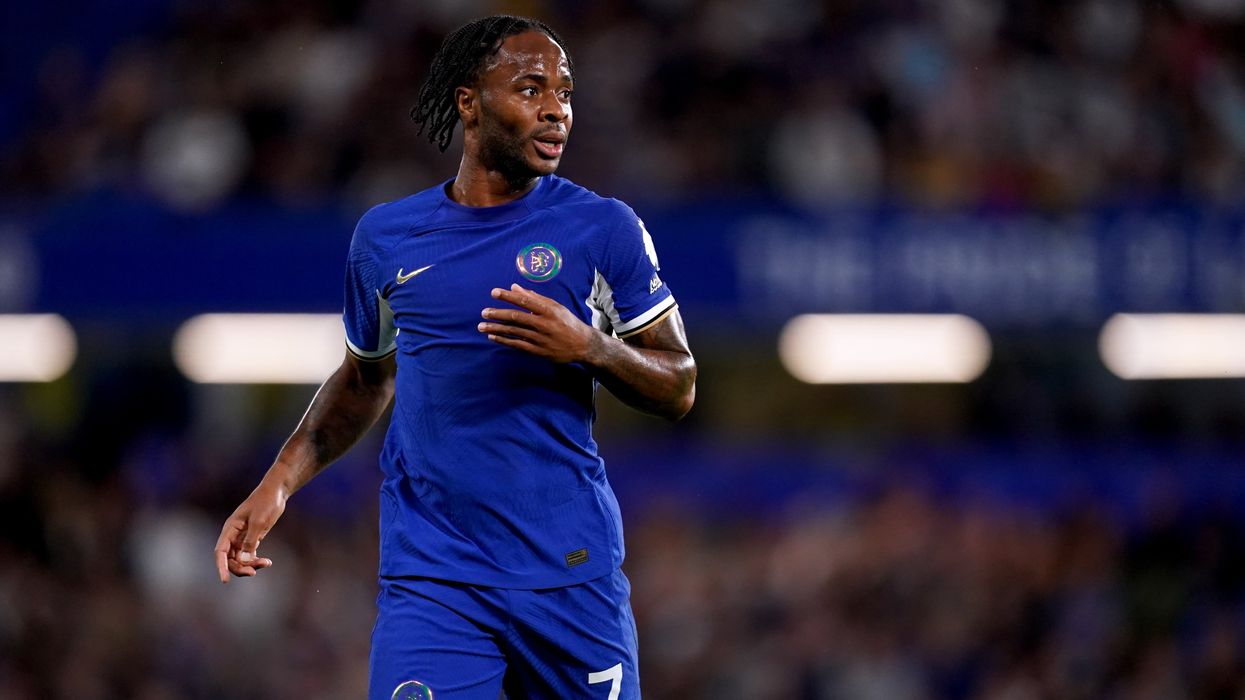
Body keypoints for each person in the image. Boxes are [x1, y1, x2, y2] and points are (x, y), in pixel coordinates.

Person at [213, 15, 696, 700]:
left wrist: (590, 347)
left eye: (563, 91)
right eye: (530, 88)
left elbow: (679, 386)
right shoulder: (386, 239)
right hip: (436, 581)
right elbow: (364, 378)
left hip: (570, 577)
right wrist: (280, 482)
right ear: (468, 101)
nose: (555, 107)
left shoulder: (603, 228)